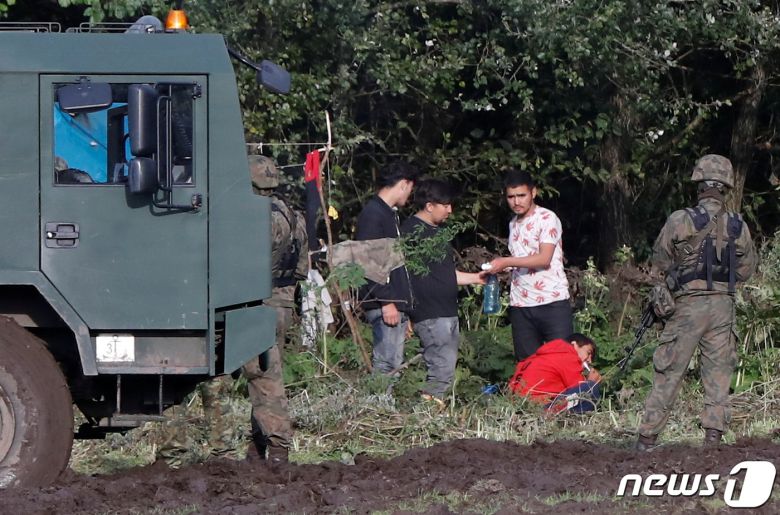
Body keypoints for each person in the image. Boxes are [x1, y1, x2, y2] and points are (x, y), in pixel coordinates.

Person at [636, 154, 758, 451]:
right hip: (723, 306)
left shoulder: (681, 219)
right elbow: (746, 270)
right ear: (726, 187)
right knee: (718, 374)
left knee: (669, 370)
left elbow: (660, 260)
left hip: (688, 306)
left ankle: (647, 439)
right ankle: (713, 437)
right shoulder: (738, 225)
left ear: (699, 185)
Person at [243, 155, 307, 462]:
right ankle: (258, 444)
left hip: (256, 303)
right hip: (283, 302)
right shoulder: (293, 215)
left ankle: (278, 446)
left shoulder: (251, 217)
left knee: (263, 378)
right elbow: (301, 268)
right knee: (266, 373)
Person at [400, 179, 484, 403]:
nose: (450, 210)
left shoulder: (438, 232)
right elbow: (402, 274)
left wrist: (477, 278)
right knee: (441, 369)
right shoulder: (411, 232)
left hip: (446, 311)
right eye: (445, 205)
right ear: (429, 206)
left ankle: (431, 412)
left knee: (445, 368)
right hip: (430, 312)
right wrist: (405, 311)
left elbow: (445, 275)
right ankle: (427, 415)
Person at [486, 170, 573, 362]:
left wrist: (507, 261)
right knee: (527, 365)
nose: (516, 202)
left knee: (561, 361)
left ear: (533, 193)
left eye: (521, 195)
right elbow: (522, 258)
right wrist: (502, 267)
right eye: (511, 197)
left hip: (551, 300)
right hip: (521, 303)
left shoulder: (547, 218)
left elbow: (544, 258)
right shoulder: (513, 223)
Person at [355, 160, 419, 374]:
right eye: (410, 189)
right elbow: (369, 261)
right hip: (384, 302)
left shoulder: (389, 214)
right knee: (386, 364)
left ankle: (384, 396)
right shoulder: (373, 214)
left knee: (394, 363)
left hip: (394, 302)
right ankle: (377, 396)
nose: (409, 195)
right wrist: (386, 301)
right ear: (404, 184)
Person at [508, 333, 601, 413]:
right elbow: (578, 388)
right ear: (574, 344)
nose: (589, 360)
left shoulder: (536, 357)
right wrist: (591, 382)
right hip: (540, 407)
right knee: (590, 389)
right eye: (588, 353)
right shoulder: (568, 356)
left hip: (518, 405)